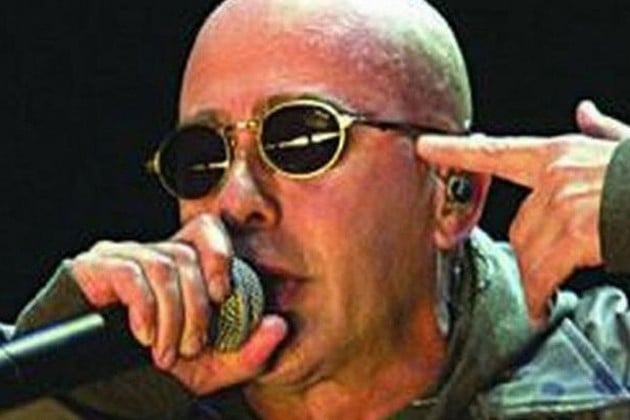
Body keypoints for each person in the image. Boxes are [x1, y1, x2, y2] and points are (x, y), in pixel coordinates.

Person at [2, 0, 630, 418]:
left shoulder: (614, 372)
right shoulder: (118, 386)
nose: (236, 200)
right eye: (202, 158)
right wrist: (67, 399)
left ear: (453, 193)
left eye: (301, 140)